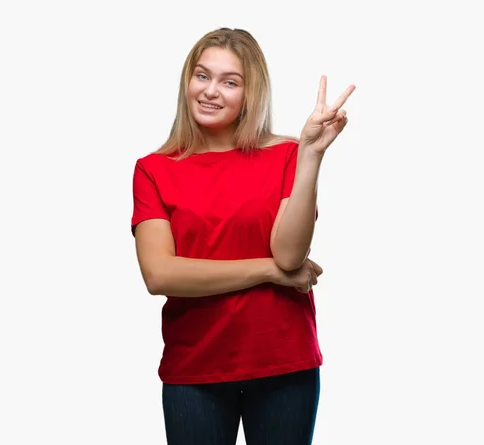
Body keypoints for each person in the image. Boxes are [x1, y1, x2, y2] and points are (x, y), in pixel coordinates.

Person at [130, 27, 354, 445]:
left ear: (250, 95)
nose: (211, 91)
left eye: (229, 82)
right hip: (194, 368)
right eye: (202, 76)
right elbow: (159, 274)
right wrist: (268, 272)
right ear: (187, 81)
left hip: (284, 364)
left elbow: (289, 255)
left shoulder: (287, 155)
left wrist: (310, 156)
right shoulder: (154, 169)